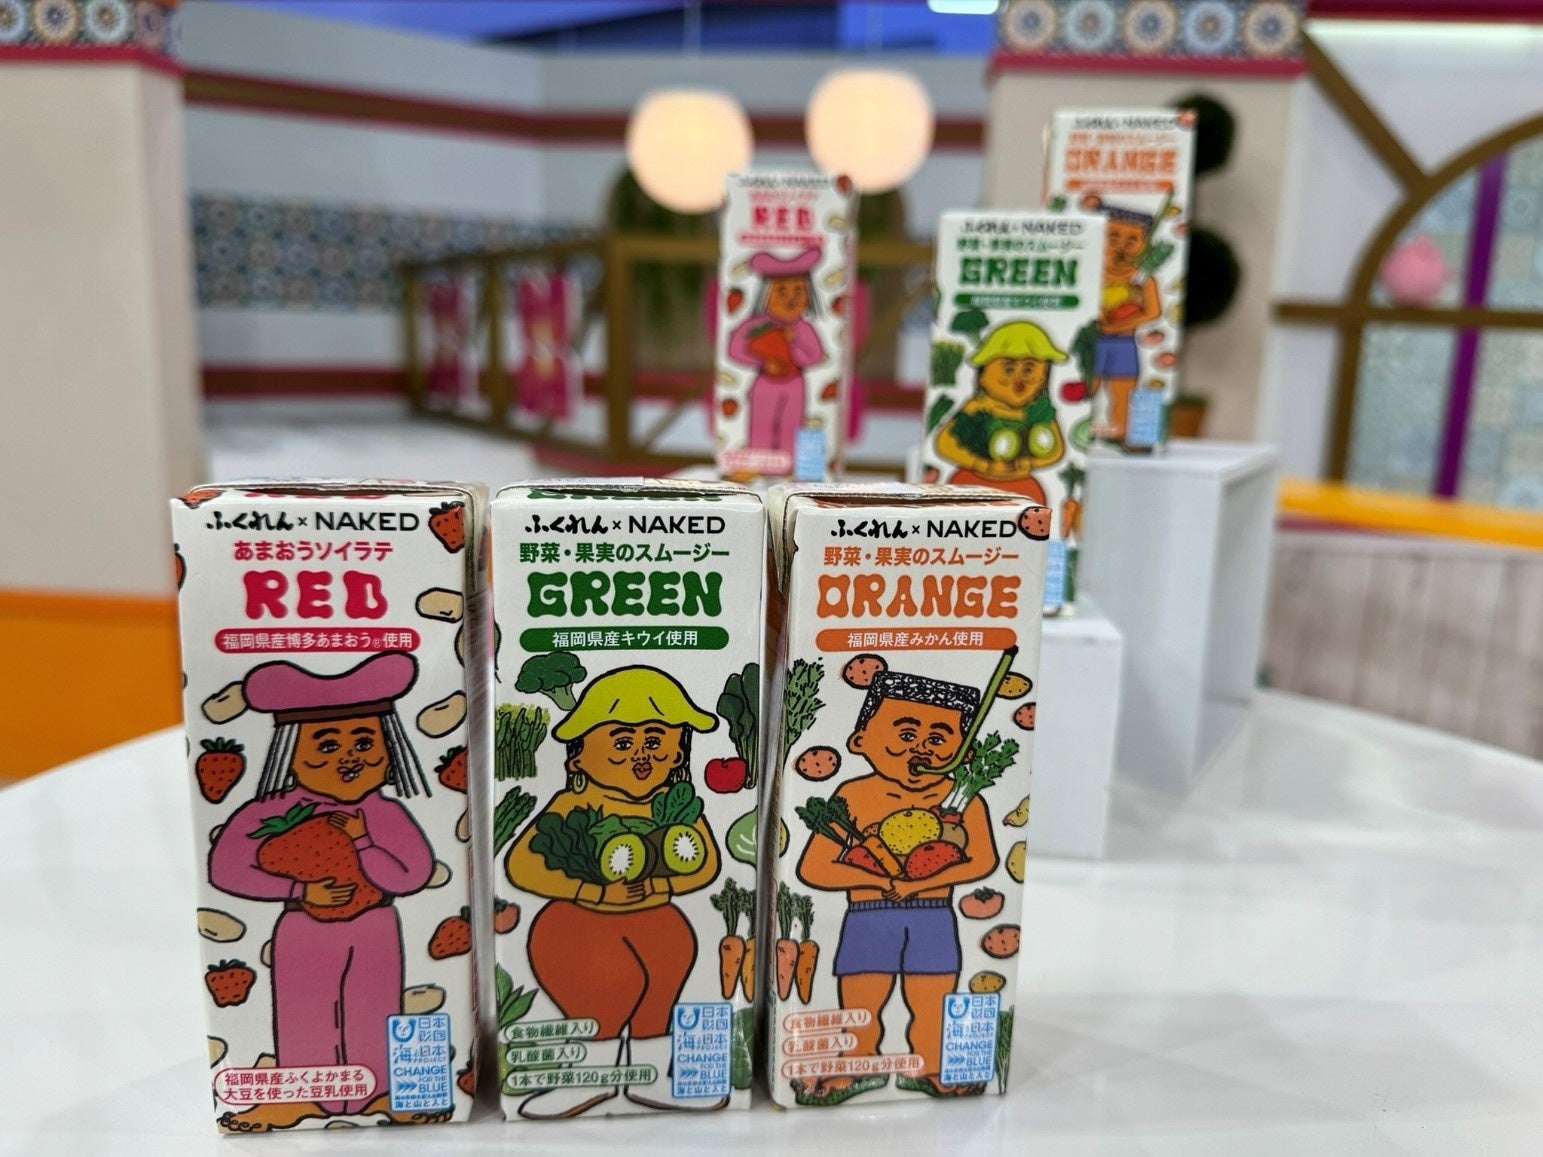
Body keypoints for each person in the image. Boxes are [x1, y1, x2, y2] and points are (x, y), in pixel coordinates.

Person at [209, 651, 437, 1132]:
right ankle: (306, 1096)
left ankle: (378, 1092)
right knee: (305, 1007)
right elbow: (226, 869)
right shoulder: (269, 811)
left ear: (388, 750)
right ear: (290, 754)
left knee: (374, 1006)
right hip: (304, 925)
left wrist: (363, 841)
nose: (349, 756)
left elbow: (413, 875)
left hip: (375, 921)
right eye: (327, 744)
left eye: (364, 741)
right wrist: (299, 887)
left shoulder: (383, 812)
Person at [505, 666, 723, 1118]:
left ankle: (655, 1076)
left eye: (656, 740)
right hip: (578, 924)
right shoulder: (573, 804)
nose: (641, 754)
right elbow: (522, 865)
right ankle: (589, 1079)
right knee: (596, 999)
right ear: (577, 758)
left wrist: (658, 883)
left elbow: (704, 863)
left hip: (660, 922)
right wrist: (594, 891)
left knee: (658, 999)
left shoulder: (674, 806)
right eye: (622, 742)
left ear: (678, 751)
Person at [794, 668, 1000, 1104]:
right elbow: (814, 867)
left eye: (939, 738)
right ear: (860, 740)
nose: (921, 748)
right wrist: (881, 879)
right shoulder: (853, 795)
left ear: (963, 752)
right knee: (861, 999)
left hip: (933, 916)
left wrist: (923, 883)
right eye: (905, 733)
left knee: (932, 997)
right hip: (868, 916)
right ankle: (855, 1064)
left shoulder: (963, 799)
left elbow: (983, 860)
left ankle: (931, 1065)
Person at [933, 320, 1068, 502]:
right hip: (971, 483)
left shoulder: (1039, 411)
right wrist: (980, 463)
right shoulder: (976, 407)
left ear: (1044, 378)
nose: (1019, 380)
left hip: (1022, 486)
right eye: (1008, 369)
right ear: (982, 377)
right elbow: (944, 443)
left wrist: (1027, 463)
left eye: (1029, 369)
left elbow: (1056, 450)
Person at [726, 247, 827, 459]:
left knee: (791, 425)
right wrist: (763, 360)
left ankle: (789, 462)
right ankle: (758, 461)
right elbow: (734, 349)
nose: (790, 299)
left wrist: (794, 344)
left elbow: (815, 356)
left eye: (798, 291)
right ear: (766, 295)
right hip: (765, 382)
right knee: (761, 425)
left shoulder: (803, 328)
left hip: (794, 383)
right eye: (781, 292)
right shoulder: (755, 326)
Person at [1093, 206, 1162, 443]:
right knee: (1087, 387)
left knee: (1123, 391)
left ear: (1144, 246)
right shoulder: (1094, 275)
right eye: (1113, 238)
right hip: (1093, 342)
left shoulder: (1142, 280)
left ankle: (1122, 433)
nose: (1121, 247)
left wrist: (1119, 325)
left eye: (1132, 241)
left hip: (1124, 343)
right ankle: (1080, 428)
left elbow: (1153, 311)